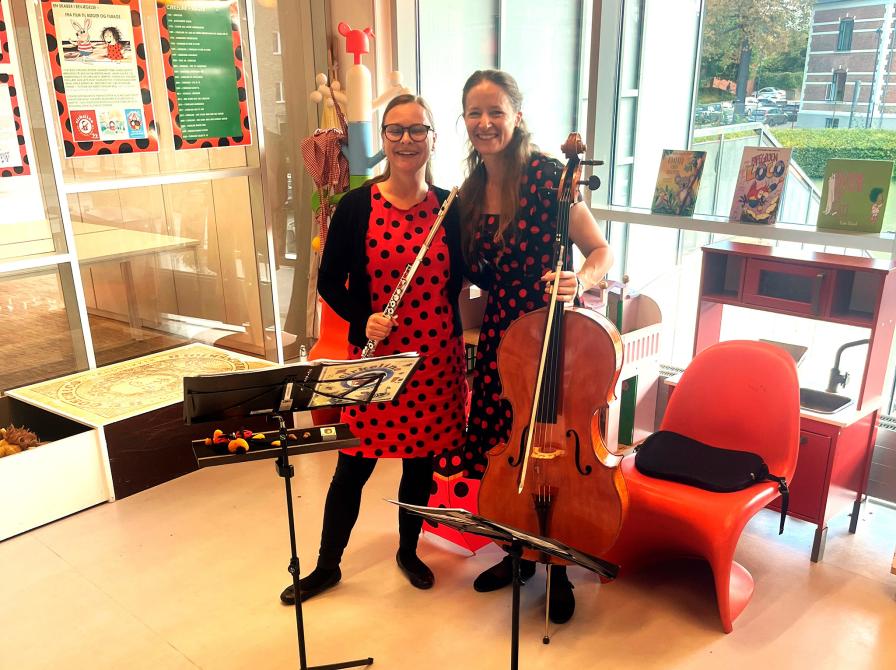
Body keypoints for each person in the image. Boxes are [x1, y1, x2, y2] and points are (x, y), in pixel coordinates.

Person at [280, 93, 468, 605]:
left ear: (433, 138)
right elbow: (328, 282)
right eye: (395, 130)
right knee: (352, 466)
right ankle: (327, 567)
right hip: (375, 361)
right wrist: (362, 317)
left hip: (434, 361)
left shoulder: (451, 207)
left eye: (417, 129)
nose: (407, 139)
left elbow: (468, 274)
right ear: (383, 138)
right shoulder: (356, 206)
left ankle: (408, 552)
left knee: (419, 466)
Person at [458, 70, 613, 624]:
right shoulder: (472, 187)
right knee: (507, 447)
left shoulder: (550, 178)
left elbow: (600, 251)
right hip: (503, 335)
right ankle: (516, 553)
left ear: (516, 116)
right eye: (474, 113)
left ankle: (558, 566)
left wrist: (581, 280)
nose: (485, 123)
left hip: (551, 331)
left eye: (495, 111)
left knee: (552, 449)